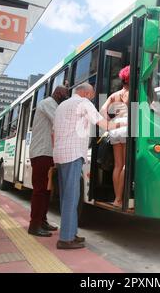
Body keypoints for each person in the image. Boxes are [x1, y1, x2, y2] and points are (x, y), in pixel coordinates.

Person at [53, 83, 124, 249]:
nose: (92, 97)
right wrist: (124, 124)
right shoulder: (83, 103)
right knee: (72, 196)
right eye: (92, 94)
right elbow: (104, 124)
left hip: (60, 154)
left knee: (66, 196)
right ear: (85, 93)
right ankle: (65, 239)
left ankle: (70, 232)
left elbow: (54, 130)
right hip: (73, 153)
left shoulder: (62, 105)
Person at [28, 86, 69, 237]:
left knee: (46, 190)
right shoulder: (48, 103)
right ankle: (34, 225)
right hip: (41, 153)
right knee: (40, 190)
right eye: (65, 94)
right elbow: (60, 122)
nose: (66, 97)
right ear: (58, 93)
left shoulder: (54, 105)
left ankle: (42, 221)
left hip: (48, 153)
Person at [100, 65, 130, 208]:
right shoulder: (134, 92)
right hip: (127, 126)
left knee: (117, 165)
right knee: (126, 165)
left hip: (115, 127)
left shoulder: (114, 95)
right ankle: (120, 199)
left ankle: (116, 199)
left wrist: (109, 122)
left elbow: (102, 109)